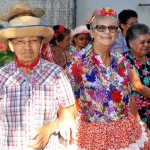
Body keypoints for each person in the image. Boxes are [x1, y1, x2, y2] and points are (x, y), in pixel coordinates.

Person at [66, 7, 150, 149]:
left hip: (124, 133)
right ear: (92, 32)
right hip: (92, 135)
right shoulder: (76, 62)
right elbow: (67, 102)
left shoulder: (121, 61)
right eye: (101, 28)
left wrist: (139, 122)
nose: (107, 32)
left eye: (112, 28)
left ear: (117, 33)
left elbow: (128, 98)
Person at [0, 14, 77, 150]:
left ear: (41, 44)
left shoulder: (55, 73)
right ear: (11, 46)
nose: (27, 47)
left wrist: (50, 128)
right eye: (20, 41)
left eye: (33, 41)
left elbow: (71, 109)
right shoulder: (2, 76)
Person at [124, 23, 150, 129]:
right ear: (131, 43)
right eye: (142, 42)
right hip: (136, 115)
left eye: (149, 42)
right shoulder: (124, 60)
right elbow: (137, 86)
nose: (146, 45)